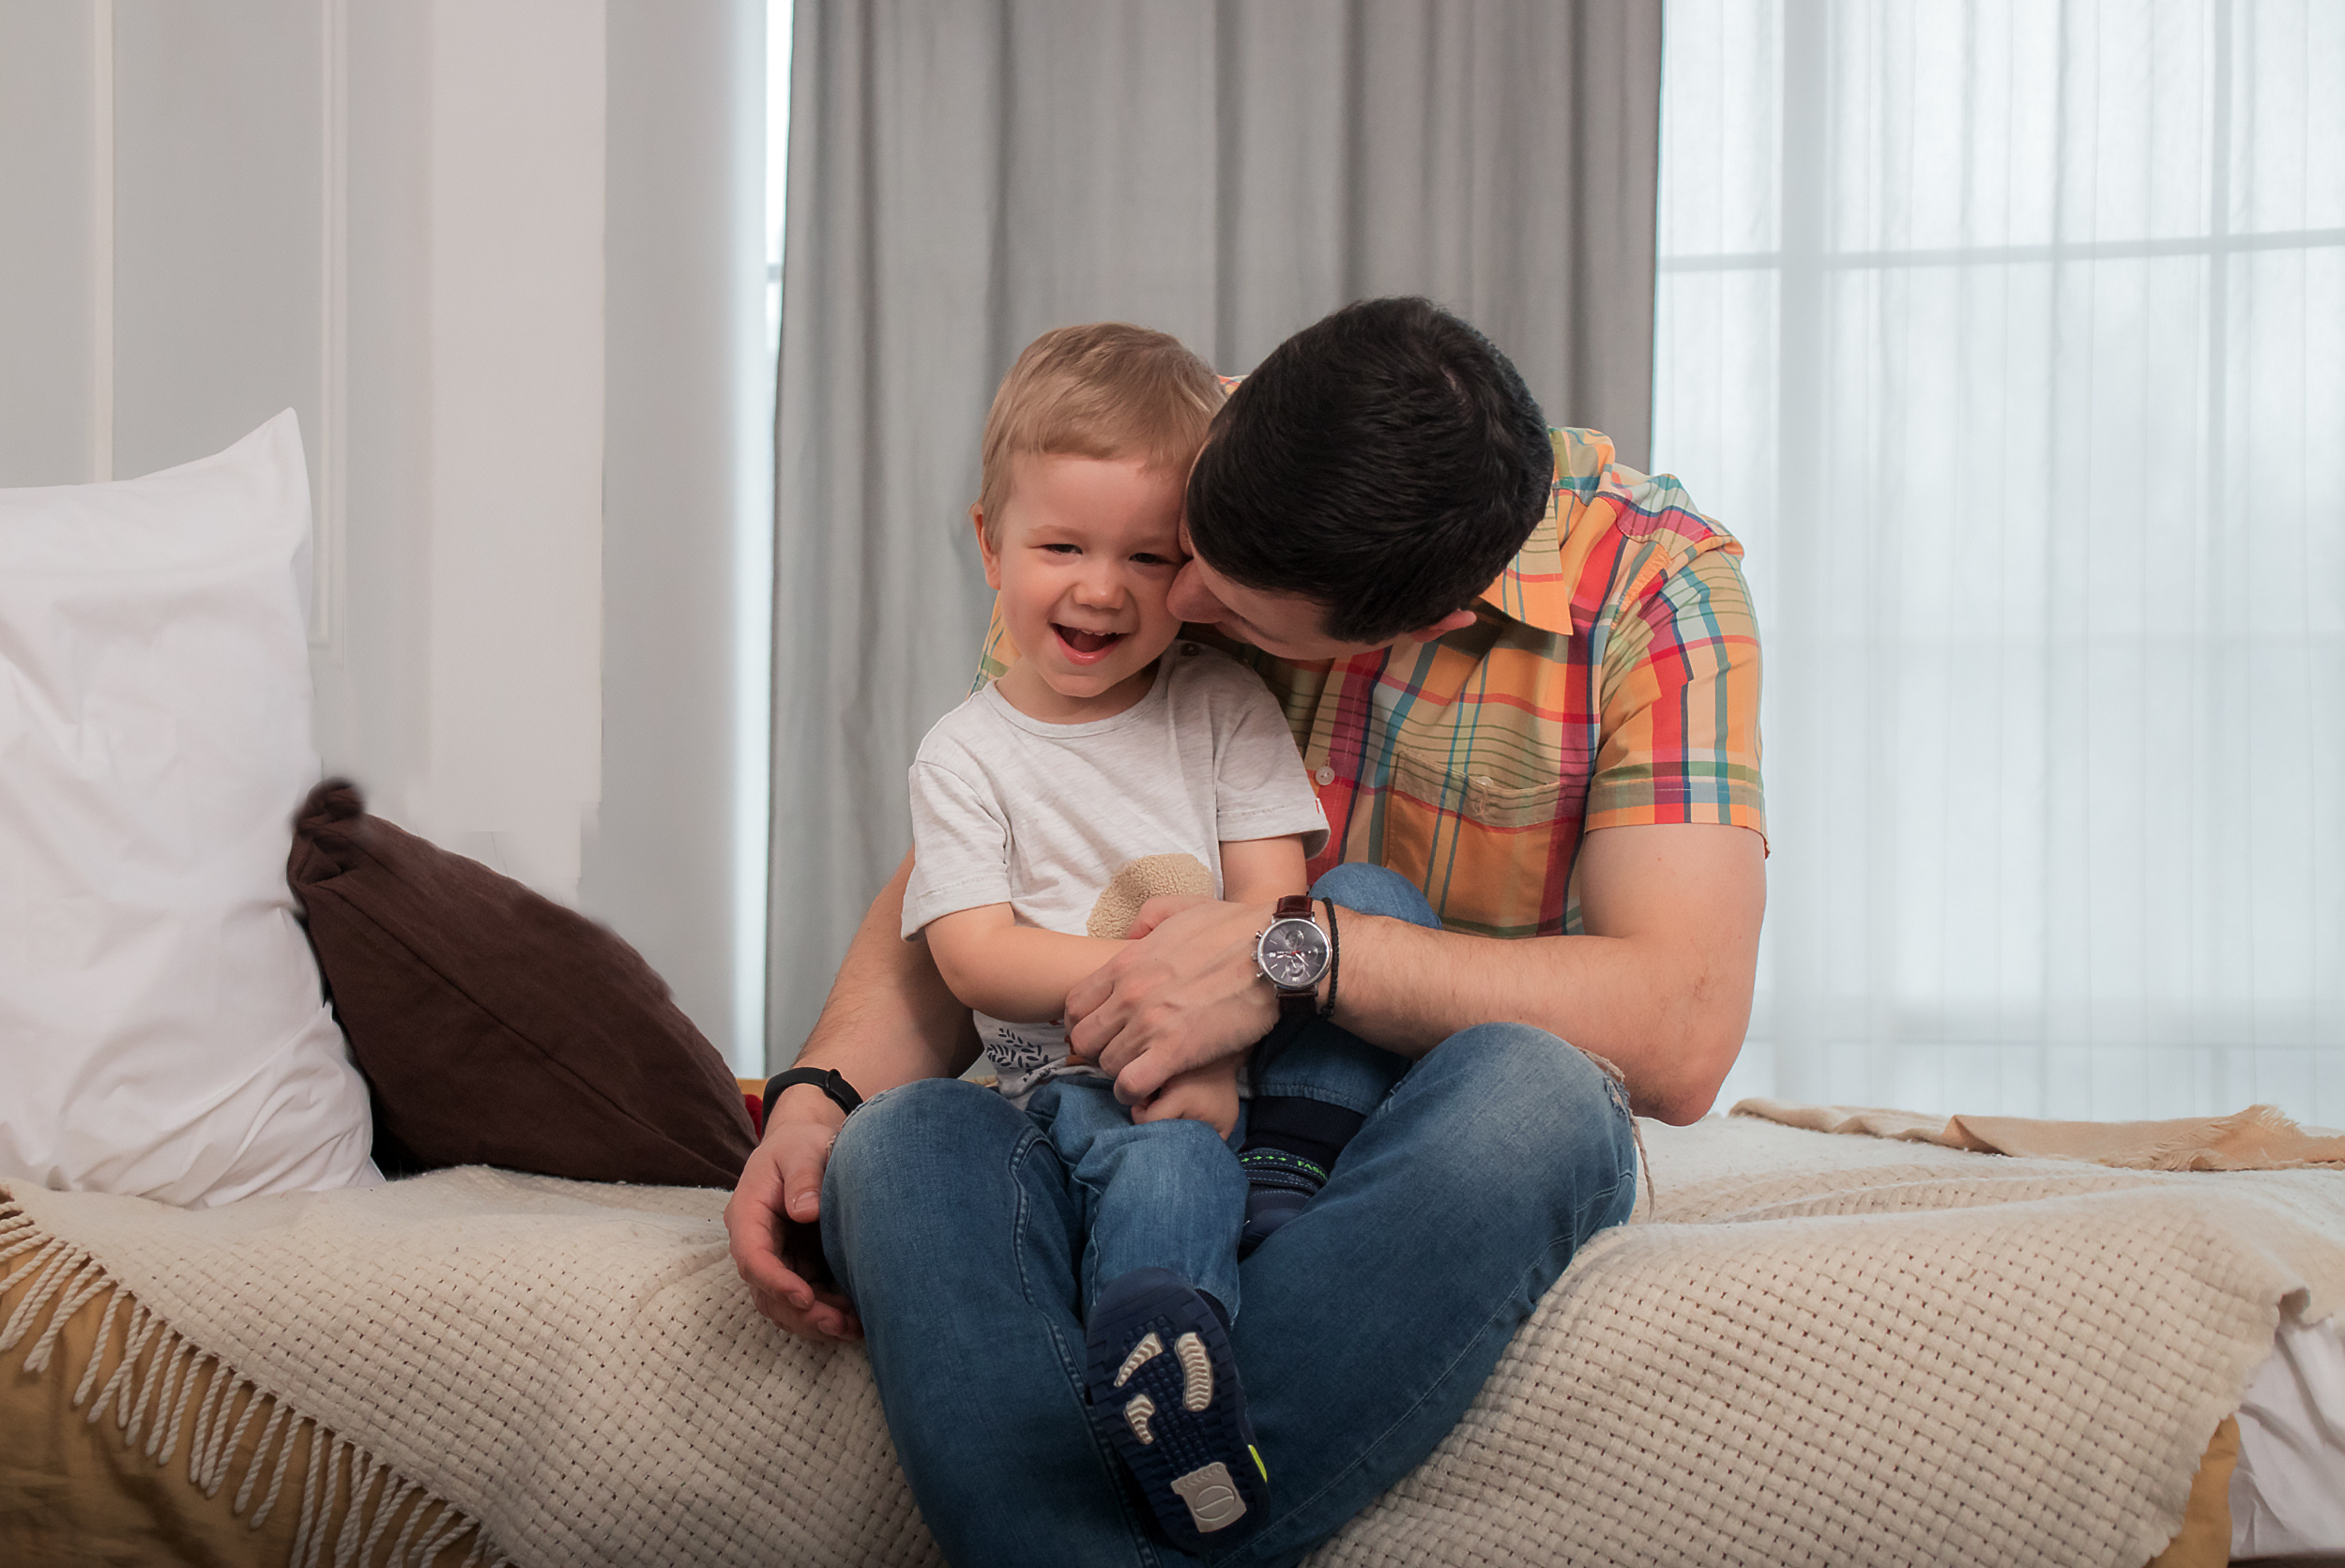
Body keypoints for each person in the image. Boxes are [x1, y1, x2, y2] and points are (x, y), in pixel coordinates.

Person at [727, 297, 1767, 1567]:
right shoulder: (1150, 469)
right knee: (902, 1143)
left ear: (1419, 628)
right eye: (1182, 553)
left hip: (1381, 1131)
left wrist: (1297, 954)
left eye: (1226, 605)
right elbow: (991, 859)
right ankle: (1164, 1398)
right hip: (1125, 1089)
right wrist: (819, 1094)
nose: (1164, 595)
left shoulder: (1660, 589)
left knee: (1538, 1098)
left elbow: (1681, 1032)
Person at [898, 322, 1347, 1551]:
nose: (1102, 588)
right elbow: (976, 956)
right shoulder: (963, 754)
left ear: (1194, 568)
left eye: (1149, 558)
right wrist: (1163, 980)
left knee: (1180, 1158)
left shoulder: (1222, 708)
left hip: (1201, 1074)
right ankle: (1144, 1375)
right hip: (1046, 1091)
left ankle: (1172, 1367)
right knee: (1120, 1159)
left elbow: (1274, 910)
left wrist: (1212, 1018)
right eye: (1062, 547)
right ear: (989, 544)